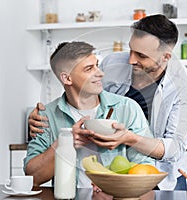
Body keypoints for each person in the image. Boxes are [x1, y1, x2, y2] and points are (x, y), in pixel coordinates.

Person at [28, 14, 187, 190]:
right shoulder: (112, 64)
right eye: (131, 50)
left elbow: (174, 148)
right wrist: (49, 112)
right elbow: (82, 89)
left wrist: (130, 138)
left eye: (141, 55)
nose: (131, 60)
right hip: (113, 172)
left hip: (161, 177)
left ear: (166, 57)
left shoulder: (185, 87)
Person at [23, 41, 155, 196]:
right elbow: (33, 177)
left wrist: (113, 185)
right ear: (67, 79)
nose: (100, 73)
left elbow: (145, 168)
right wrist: (64, 144)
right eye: (89, 69)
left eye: (97, 65)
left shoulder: (127, 108)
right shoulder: (46, 116)